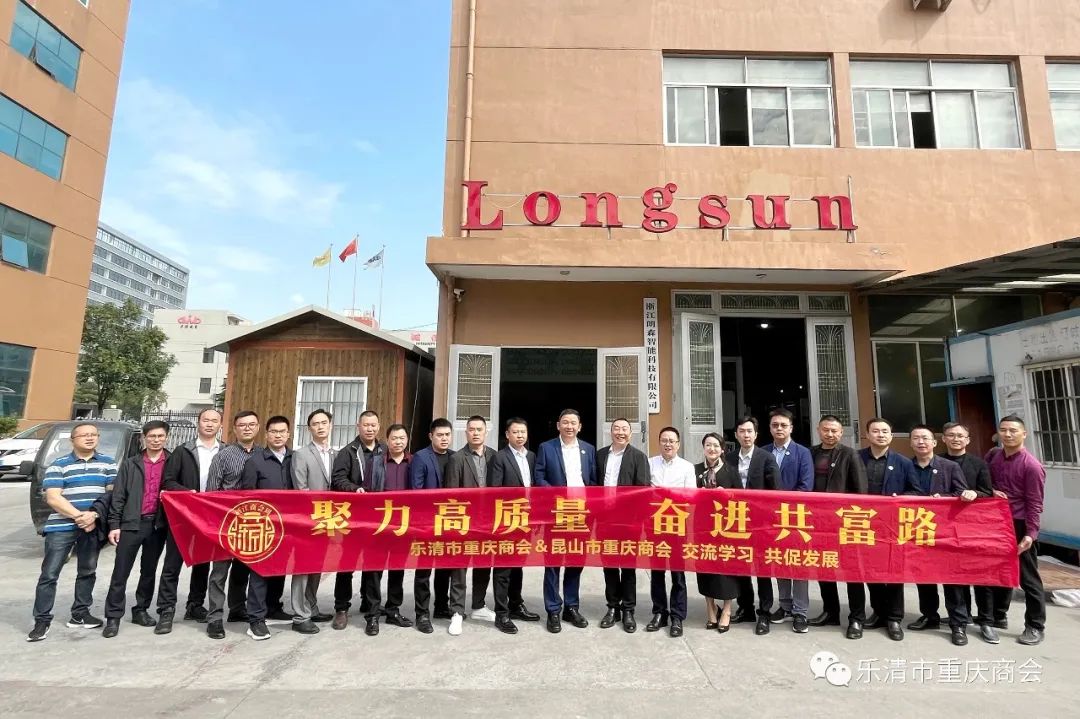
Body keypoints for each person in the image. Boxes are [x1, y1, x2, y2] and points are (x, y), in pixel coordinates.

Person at [27, 423, 117, 642]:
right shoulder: (59, 465)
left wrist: (93, 515)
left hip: (92, 527)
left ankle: (80, 614)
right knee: (49, 574)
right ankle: (42, 621)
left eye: (93, 435)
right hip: (61, 528)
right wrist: (80, 517)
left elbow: (112, 494)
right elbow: (53, 498)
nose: (89, 438)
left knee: (87, 571)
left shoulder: (108, 463)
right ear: (72, 440)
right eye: (84, 435)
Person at [205, 410, 275, 640]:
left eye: (251, 424)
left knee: (245, 570)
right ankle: (215, 618)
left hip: (254, 523)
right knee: (219, 572)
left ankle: (237, 609)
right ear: (234, 429)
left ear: (258, 428)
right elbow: (212, 492)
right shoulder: (223, 456)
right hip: (227, 522)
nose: (247, 428)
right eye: (242, 425)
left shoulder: (264, 455)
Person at [102, 421, 171, 638]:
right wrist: (114, 525)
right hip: (131, 524)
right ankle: (113, 617)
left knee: (148, 571)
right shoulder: (131, 463)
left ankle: (141, 610)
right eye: (152, 436)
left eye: (160, 436)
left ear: (166, 437)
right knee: (120, 572)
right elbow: (118, 496)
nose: (156, 440)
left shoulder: (171, 462)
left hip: (157, 525)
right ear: (144, 438)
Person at [981, 415, 1046, 646]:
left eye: (1013, 430)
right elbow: (983, 481)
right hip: (996, 522)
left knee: (1028, 578)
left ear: (1024, 434)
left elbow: (1035, 503)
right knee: (997, 571)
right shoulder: (993, 456)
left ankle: (1035, 626)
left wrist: (1031, 534)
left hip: (1019, 524)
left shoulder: (1032, 466)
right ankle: (999, 616)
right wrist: (991, 491)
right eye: (1003, 430)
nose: (1007, 434)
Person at [904, 424, 970, 645]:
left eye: (925, 438)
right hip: (919, 529)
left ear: (934, 442)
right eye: (916, 438)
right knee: (923, 576)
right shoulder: (906, 466)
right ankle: (929, 615)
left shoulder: (949, 466)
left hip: (946, 530)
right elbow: (904, 491)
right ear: (911, 443)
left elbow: (961, 492)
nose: (921, 442)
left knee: (951, 579)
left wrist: (944, 498)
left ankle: (958, 624)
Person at [157, 408, 221, 632]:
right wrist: (188, 494)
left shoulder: (225, 451)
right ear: (198, 423)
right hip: (183, 516)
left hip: (210, 517)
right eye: (205, 420)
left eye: (214, 421)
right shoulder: (183, 451)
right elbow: (168, 481)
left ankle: (195, 604)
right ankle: (166, 609)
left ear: (220, 425)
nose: (209, 424)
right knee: (172, 563)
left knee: (203, 562)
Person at [534, 408, 597, 633]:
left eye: (573, 423)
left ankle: (571, 607)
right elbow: (539, 477)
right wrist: (557, 496)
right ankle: (553, 610)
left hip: (580, 513)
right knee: (553, 563)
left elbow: (593, 480)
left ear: (579, 427)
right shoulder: (546, 448)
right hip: (556, 512)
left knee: (575, 561)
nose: (569, 426)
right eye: (565, 422)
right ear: (558, 425)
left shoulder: (588, 449)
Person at [808, 415, 869, 639]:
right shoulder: (811, 453)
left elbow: (860, 490)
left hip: (846, 521)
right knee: (825, 567)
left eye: (834, 431)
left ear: (841, 433)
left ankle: (856, 618)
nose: (830, 434)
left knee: (852, 570)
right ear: (818, 430)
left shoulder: (850, 454)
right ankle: (831, 612)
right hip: (818, 521)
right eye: (826, 430)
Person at [857, 417, 914, 642]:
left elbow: (915, 490)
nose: (880, 435)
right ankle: (878, 612)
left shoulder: (903, 462)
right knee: (870, 571)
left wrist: (899, 500)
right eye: (875, 431)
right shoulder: (857, 458)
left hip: (893, 525)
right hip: (864, 523)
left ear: (891, 435)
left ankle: (894, 618)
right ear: (867, 435)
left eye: (884, 431)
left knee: (894, 572)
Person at [940, 421, 997, 644]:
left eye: (960, 435)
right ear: (943, 438)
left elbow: (987, 492)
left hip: (975, 527)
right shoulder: (938, 462)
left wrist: (975, 494)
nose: (956, 439)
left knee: (981, 577)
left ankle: (986, 621)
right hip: (947, 527)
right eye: (951, 435)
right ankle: (959, 622)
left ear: (968, 440)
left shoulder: (979, 464)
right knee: (953, 576)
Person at [239, 415, 294, 641]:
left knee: (280, 569)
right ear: (267, 434)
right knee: (260, 573)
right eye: (274, 432)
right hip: (263, 527)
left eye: (282, 431)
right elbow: (247, 496)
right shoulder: (255, 462)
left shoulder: (294, 459)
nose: (278, 435)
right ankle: (256, 619)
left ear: (288, 434)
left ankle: (273, 607)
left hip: (289, 525)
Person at [329, 410, 386, 630]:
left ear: (378, 426)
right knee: (347, 564)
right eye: (366, 425)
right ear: (358, 426)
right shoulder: (348, 452)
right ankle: (341, 608)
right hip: (352, 518)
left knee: (373, 565)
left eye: (373, 425)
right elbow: (338, 479)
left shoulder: (384, 450)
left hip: (378, 518)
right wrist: (355, 489)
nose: (370, 429)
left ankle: (369, 605)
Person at [357, 423, 415, 635]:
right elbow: (368, 491)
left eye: (402, 438)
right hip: (379, 525)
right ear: (387, 440)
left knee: (397, 570)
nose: (398, 442)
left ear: (407, 440)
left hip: (403, 525)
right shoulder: (375, 462)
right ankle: (372, 615)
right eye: (394, 438)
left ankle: (393, 610)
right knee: (374, 570)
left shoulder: (413, 462)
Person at [443, 416, 497, 636]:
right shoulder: (457, 459)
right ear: (465, 433)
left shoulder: (495, 456)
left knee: (484, 563)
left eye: (479, 429)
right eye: (472, 429)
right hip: (464, 520)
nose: (475, 433)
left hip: (488, 521)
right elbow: (451, 493)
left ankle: (478, 605)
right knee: (459, 566)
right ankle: (457, 611)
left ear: (486, 432)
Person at [595, 418, 650, 633]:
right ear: (611, 432)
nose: (620, 432)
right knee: (609, 565)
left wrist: (638, 521)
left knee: (628, 567)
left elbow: (643, 490)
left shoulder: (638, 457)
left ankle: (628, 610)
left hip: (628, 522)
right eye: (616, 428)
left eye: (624, 429)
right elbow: (594, 486)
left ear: (631, 433)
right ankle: (612, 608)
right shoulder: (600, 455)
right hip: (605, 520)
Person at [488, 417, 542, 634]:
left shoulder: (531, 456)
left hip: (525, 519)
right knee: (503, 568)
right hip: (507, 520)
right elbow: (494, 491)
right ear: (507, 435)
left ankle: (516, 604)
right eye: (515, 432)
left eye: (523, 432)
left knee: (518, 564)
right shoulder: (499, 457)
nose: (520, 436)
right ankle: (501, 613)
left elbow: (534, 488)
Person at [727, 417, 780, 636]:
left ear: (756, 435)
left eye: (750, 431)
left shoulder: (766, 458)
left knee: (762, 568)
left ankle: (764, 613)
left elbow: (775, 491)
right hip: (736, 521)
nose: (746, 435)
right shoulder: (729, 458)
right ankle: (746, 607)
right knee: (740, 566)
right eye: (742, 431)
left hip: (760, 522)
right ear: (736, 435)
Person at [289, 408, 337, 634]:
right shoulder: (301, 454)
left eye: (324, 422)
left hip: (328, 520)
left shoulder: (335, 454)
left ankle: (312, 607)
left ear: (330, 425)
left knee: (317, 566)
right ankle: (300, 615)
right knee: (302, 568)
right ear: (309, 429)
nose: (320, 427)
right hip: (308, 520)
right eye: (315, 424)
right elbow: (301, 489)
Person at [766, 408, 814, 633]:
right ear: (770, 428)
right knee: (779, 561)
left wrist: (785, 505)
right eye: (775, 425)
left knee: (798, 563)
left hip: (796, 517)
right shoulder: (764, 452)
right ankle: (784, 606)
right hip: (771, 518)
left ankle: (800, 611)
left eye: (783, 425)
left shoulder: (802, 453)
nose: (779, 429)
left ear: (791, 428)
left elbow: (806, 485)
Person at [647, 426, 696, 638]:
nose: (668, 444)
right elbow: (644, 492)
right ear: (659, 442)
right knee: (657, 572)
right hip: (655, 524)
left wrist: (666, 495)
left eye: (672, 441)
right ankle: (659, 612)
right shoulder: (650, 463)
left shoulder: (687, 467)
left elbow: (691, 495)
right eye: (664, 440)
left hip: (677, 524)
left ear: (678, 444)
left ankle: (677, 616)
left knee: (678, 573)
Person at [410, 417, 455, 631]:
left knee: (445, 567)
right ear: (431, 436)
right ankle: (422, 613)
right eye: (440, 435)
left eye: (447, 435)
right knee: (424, 570)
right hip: (427, 523)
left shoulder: (455, 457)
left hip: (449, 520)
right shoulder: (421, 457)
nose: (444, 438)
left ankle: (441, 606)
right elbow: (416, 491)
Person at [695, 433, 741, 635]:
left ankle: (727, 609)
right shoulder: (696, 470)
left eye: (715, 445)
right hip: (703, 527)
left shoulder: (731, 471)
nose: (711, 449)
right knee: (705, 567)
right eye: (708, 445)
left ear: (723, 449)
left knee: (726, 570)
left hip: (726, 527)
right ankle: (710, 608)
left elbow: (742, 499)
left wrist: (727, 494)